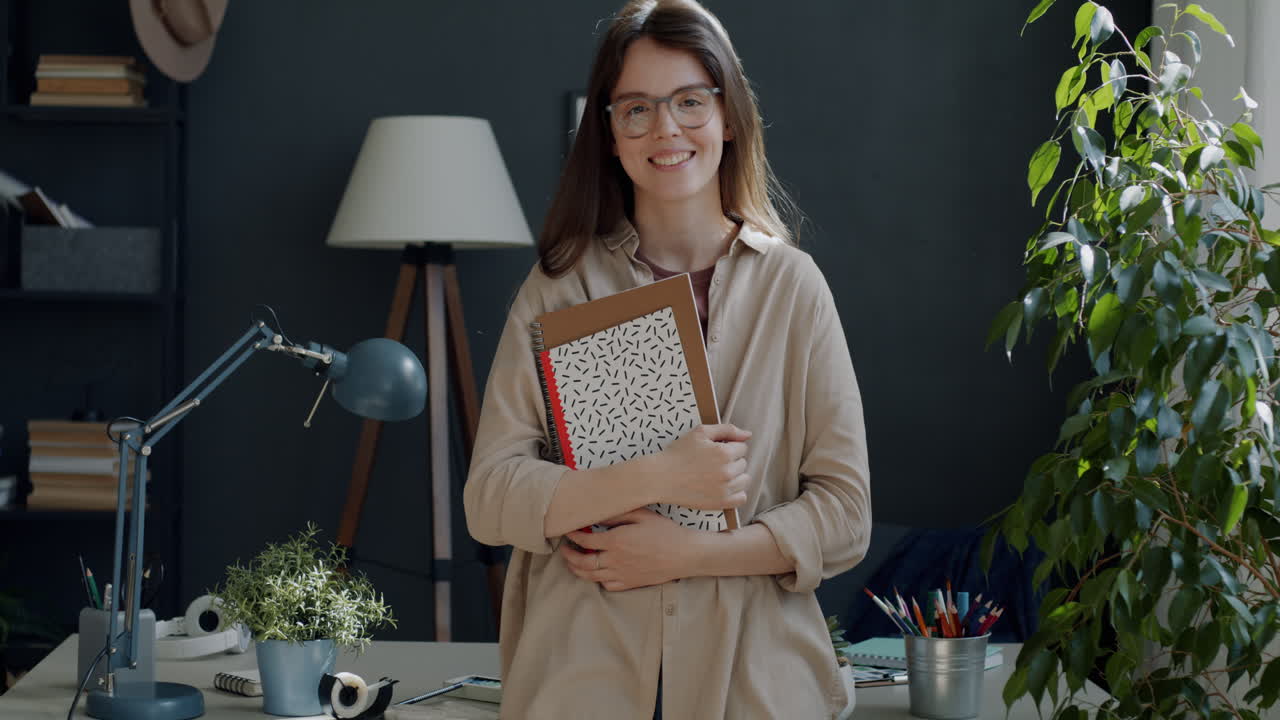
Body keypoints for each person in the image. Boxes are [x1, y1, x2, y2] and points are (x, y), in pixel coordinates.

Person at [463, 1, 870, 717]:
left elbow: (845, 513)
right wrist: (658, 475)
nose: (666, 129)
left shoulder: (793, 287)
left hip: (758, 685)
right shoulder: (562, 287)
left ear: (729, 115)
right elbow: (490, 496)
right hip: (582, 681)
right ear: (610, 134)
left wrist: (690, 554)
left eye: (689, 101)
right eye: (637, 109)